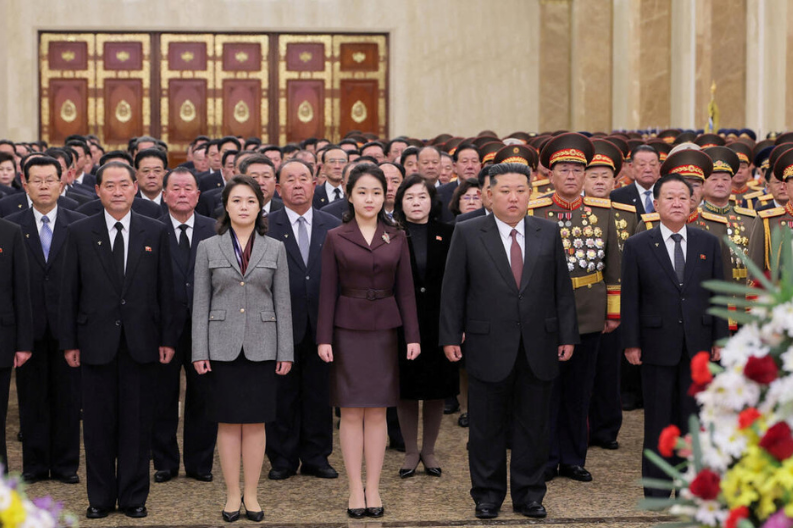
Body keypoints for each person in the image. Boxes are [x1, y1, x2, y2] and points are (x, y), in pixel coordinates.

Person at [440, 162, 578, 520]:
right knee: (486, 427)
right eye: (505, 190)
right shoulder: (469, 233)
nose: (513, 197)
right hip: (488, 344)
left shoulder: (547, 232)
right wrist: (450, 335)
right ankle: (487, 495)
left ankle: (529, 494)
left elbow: (562, 290)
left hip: (540, 343)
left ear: (531, 193)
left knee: (534, 425)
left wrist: (567, 334)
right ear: (488, 194)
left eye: (521, 190)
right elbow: (453, 290)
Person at [59, 161, 177, 519]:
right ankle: (99, 498)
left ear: (135, 188)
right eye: (109, 185)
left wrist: (168, 338)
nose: (117, 192)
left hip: (141, 342)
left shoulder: (154, 232)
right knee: (97, 426)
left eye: (124, 185)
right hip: (94, 344)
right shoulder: (80, 232)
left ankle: (133, 497)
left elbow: (166, 291)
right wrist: (69, 342)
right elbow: (69, 293)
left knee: (137, 425)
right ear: (97, 191)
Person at [316, 164, 420, 519]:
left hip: (384, 332)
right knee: (350, 411)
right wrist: (323, 338)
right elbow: (327, 290)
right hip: (346, 331)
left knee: (377, 411)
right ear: (349, 195)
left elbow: (406, 291)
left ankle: (373, 488)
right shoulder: (335, 236)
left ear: (385, 195)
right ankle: (353, 489)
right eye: (362, 192)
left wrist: (413, 336)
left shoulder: (397, 235)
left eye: (376, 192)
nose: (370, 199)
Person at [192, 175, 293, 523]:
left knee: (255, 424)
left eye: (250, 200)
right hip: (221, 346)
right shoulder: (208, 246)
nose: (244, 207)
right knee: (227, 424)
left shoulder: (275, 247)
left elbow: (283, 304)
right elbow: (200, 302)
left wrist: (286, 352)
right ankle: (232, 494)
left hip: (263, 347)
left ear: (260, 206)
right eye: (237, 200)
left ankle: (251, 493)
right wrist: (198, 351)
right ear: (226, 205)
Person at [621, 174, 728, 497]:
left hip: (698, 344)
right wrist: (631, 342)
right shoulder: (638, 244)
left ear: (692, 202)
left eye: (683, 196)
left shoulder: (708, 242)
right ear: (656, 204)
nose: (678, 202)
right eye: (670, 197)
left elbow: (717, 296)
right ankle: (657, 487)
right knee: (657, 419)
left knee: (693, 417)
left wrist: (719, 339)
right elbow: (631, 298)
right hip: (656, 344)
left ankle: (690, 485)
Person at [529, 133, 621, 483]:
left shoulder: (603, 212)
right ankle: (547, 456)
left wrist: (612, 313)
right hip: (547, 312)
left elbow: (613, 268)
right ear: (550, 176)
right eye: (563, 170)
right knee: (547, 388)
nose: (570, 176)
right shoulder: (536, 211)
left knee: (580, 390)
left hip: (588, 310)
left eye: (577, 170)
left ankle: (573, 458)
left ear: (585, 176)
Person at [7, 156, 83, 483]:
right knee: (32, 400)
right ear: (24, 184)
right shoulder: (11, 225)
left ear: (62, 181)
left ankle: (66, 466)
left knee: (69, 400)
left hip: (69, 327)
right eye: (36, 180)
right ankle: (35, 466)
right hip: (29, 327)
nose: (43, 186)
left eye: (49, 179)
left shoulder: (79, 223)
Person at [265, 159, 341, 481]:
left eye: (304, 179)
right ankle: (282, 458)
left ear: (315, 184)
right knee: (281, 395)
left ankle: (316, 456)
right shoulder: (266, 225)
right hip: (280, 325)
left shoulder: (333, 225)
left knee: (319, 394)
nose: (298, 185)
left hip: (321, 324)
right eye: (290, 180)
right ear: (279, 189)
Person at [151, 167, 218, 484]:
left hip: (204, 327)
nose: (181, 193)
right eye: (174, 188)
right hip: (160, 328)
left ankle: (200, 463)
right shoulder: (150, 229)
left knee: (203, 397)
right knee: (162, 397)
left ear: (197, 195)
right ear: (164, 195)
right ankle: (164, 461)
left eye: (187, 188)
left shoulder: (214, 229)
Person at [392, 174, 456, 478]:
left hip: (439, 322)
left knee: (435, 389)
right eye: (409, 197)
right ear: (400, 202)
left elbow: (458, 284)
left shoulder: (449, 232)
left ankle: (429, 451)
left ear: (432, 201)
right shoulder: (390, 234)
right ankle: (410, 451)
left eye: (422, 197)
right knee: (406, 388)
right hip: (400, 322)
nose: (416, 203)